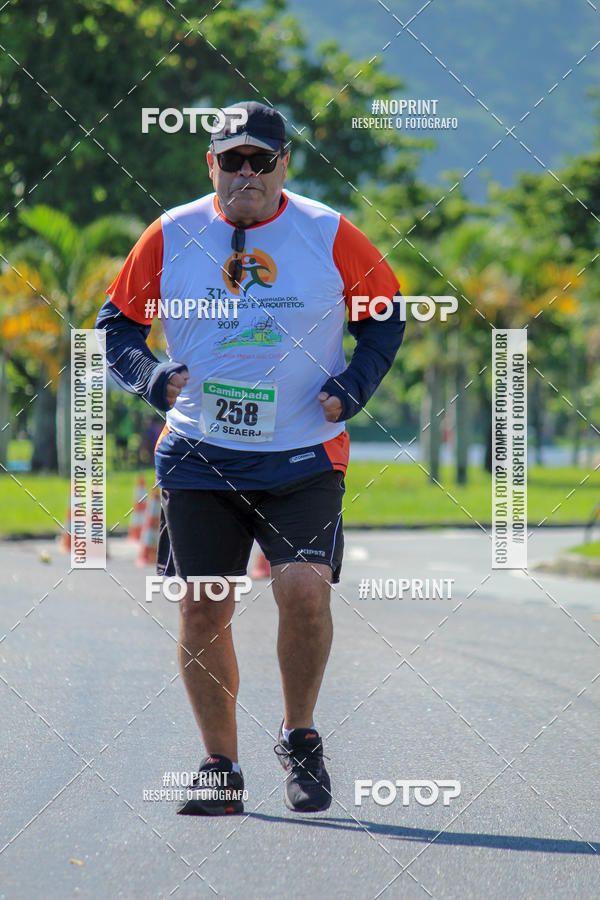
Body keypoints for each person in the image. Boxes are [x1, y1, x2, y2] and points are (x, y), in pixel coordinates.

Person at [96, 100, 405, 816]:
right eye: (231, 159)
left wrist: (353, 386)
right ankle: (220, 767)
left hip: (302, 454)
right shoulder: (172, 234)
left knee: (303, 592)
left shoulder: (328, 233)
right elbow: (117, 328)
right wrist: (150, 377)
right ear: (211, 164)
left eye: (260, 160)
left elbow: (384, 315)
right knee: (204, 610)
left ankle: (300, 737)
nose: (245, 173)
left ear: (283, 164)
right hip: (201, 453)